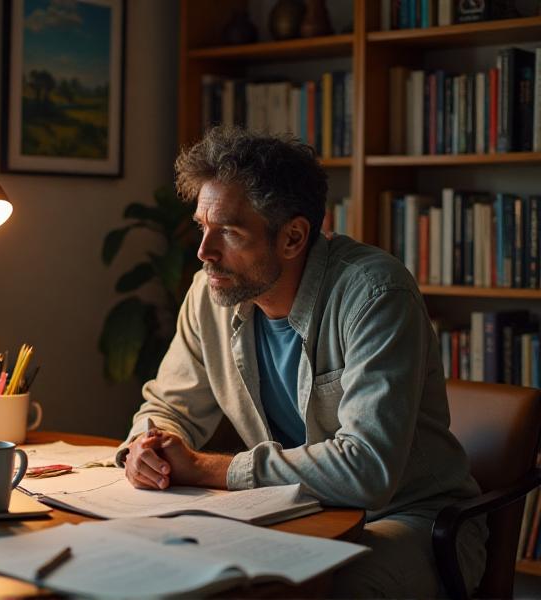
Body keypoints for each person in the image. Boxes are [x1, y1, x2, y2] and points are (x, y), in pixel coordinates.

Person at [117, 126, 487, 597]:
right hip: (290, 513)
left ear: (293, 237)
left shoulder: (376, 295)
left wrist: (210, 469)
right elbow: (167, 406)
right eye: (202, 227)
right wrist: (144, 449)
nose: (204, 252)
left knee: (325, 589)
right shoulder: (210, 294)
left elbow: (366, 470)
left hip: (410, 519)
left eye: (228, 232)